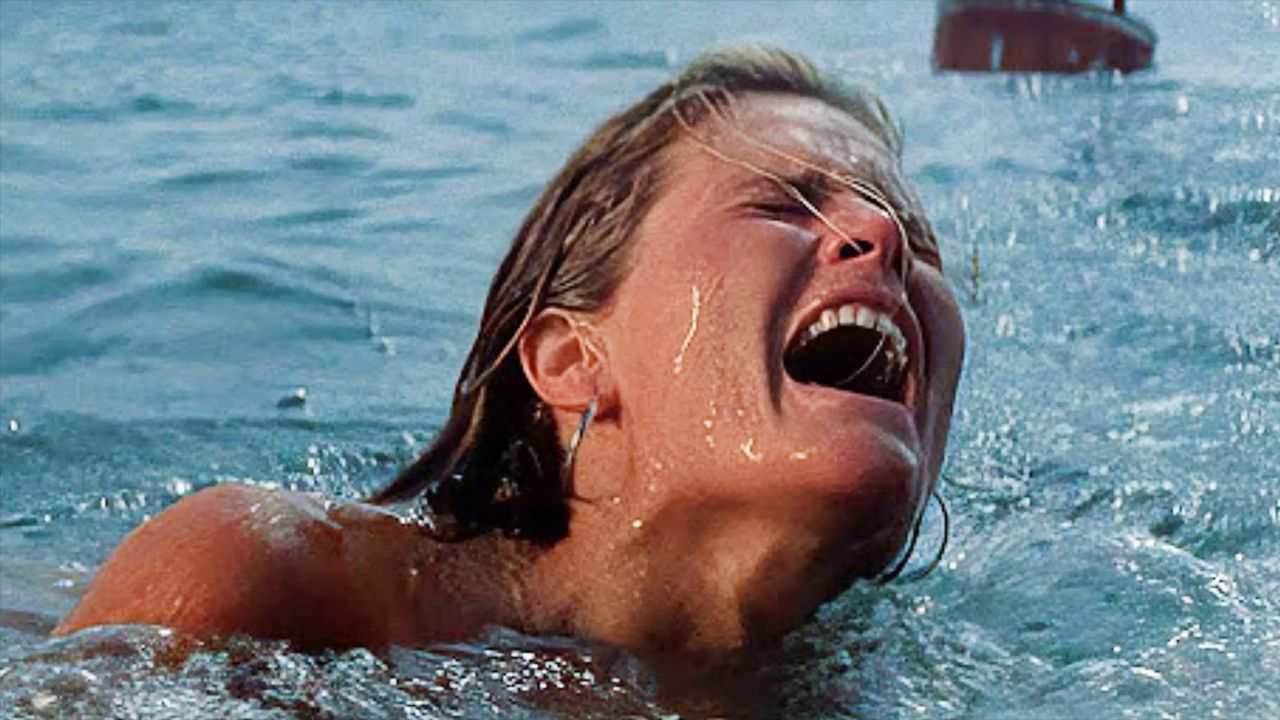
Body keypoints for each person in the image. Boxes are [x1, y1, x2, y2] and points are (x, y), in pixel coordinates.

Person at [55, 46, 964, 690]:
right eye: (785, 203)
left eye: (918, 242)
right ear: (570, 360)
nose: (883, 238)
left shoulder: (887, 683)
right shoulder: (269, 584)